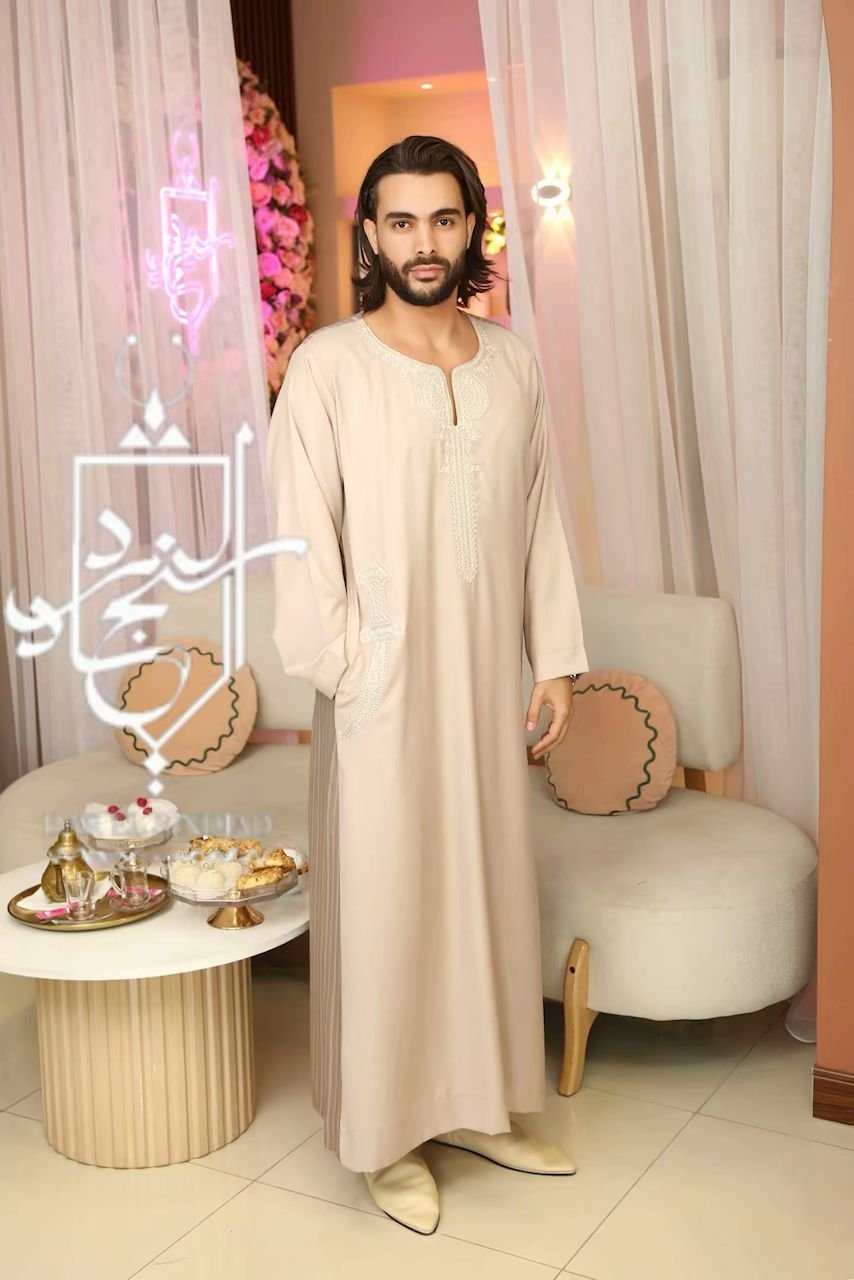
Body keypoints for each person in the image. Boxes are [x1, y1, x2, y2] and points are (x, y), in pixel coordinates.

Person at [265, 135, 588, 1236]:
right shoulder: (328, 368)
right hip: (382, 688)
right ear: (370, 234)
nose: (423, 243)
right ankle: (386, 1134)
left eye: (443, 219)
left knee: (483, 892)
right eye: (400, 222)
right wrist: (352, 670)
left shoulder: (512, 363)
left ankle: (478, 1105)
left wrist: (554, 659)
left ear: (471, 228)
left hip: (485, 686)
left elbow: (540, 519)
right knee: (390, 903)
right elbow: (301, 541)